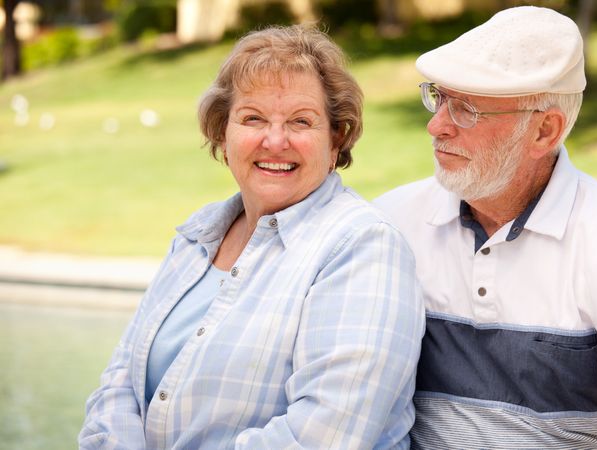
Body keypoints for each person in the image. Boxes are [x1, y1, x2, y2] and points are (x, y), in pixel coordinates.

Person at [79, 25, 425, 449]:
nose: (275, 140)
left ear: (336, 140)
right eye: (253, 118)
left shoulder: (363, 247)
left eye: (301, 121)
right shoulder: (198, 236)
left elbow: (323, 435)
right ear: (223, 135)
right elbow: (117, 388)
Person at [375, 6, 597, 449]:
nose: (436, 125)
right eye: (438, 98)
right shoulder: (391, 222)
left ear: (544, 131)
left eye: (465, 110)